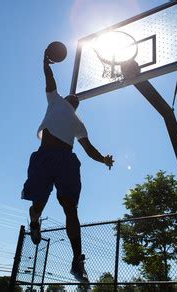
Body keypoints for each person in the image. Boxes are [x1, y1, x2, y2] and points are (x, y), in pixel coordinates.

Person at [21, 48, 114, 283]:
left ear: (77, 104)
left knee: (71, 208)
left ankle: (77, 261)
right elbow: (49, 79)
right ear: (68, 98)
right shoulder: (55, 100)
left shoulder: (78, 122)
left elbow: (88, 148)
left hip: (66, 160)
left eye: (78, 99)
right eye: (73, 96)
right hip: (45, 156)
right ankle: (34, 222)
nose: (75, 97)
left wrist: (103, 159)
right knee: (38, 204)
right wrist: (46, 63)